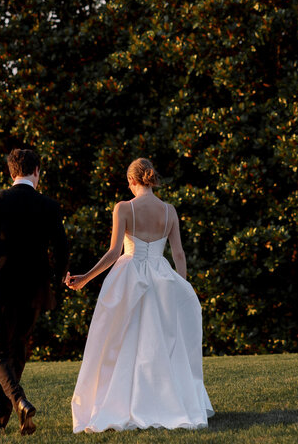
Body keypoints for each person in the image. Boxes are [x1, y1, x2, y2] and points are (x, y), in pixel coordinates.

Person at [65, 158, 213, 433]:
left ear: (132, 182)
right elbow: (178, 254)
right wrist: (181, 287)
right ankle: (164, 403)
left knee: (121, 341)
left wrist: (85, 278)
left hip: (129, 277)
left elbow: (113, 253)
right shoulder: (169, 211)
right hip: (162, 279)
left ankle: (122, 404)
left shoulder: (124, 208)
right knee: (160, 344)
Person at [0, 148, 71, 436]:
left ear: (12, 173)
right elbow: (61, 248)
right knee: (17, 350)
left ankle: (19, 400)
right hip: (33, 288)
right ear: (37, 171)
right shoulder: (49, 205)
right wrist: (60, 277)